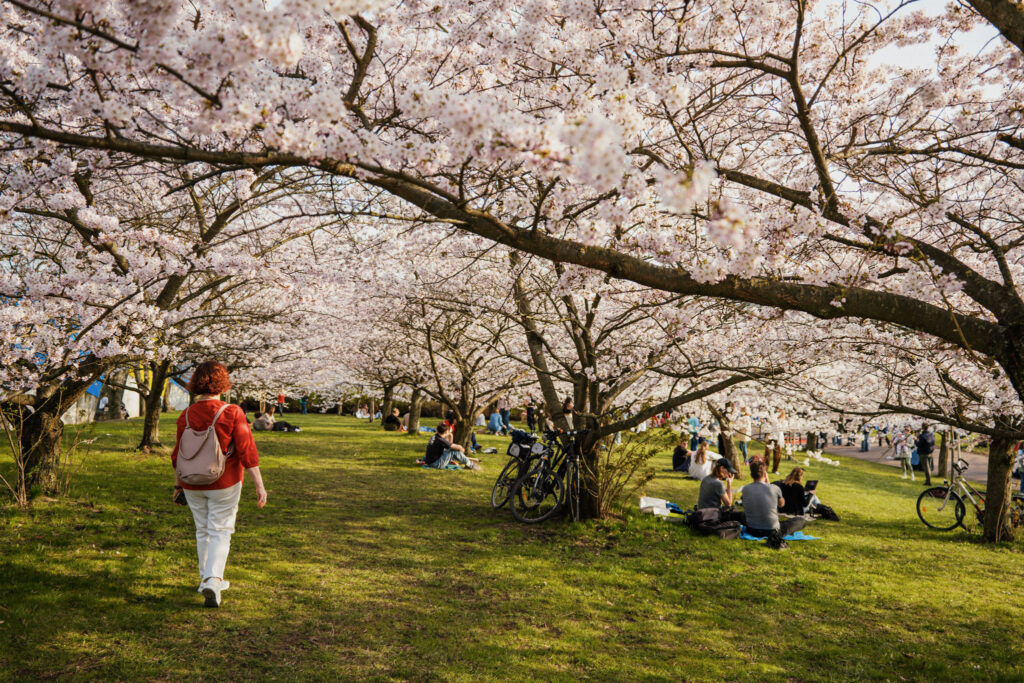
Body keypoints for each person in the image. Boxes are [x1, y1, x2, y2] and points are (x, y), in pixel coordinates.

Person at [171, 360, 267, 608]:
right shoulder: (232, 411)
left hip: (191, 481)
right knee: (220, 530)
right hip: (224, 481)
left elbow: (178, 454)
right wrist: (259, 484)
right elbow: (246, 449)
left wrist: (178, 485)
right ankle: (213, 579)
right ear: (223, 384)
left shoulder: (187, 413)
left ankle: (207, 578)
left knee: (202, 529)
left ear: (196, 383)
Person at [741, 458, 807, 538]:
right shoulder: (774, 488)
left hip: (751, 530)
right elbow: (781, 504)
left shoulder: (745, 489)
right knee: (801, 521)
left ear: (751, 475)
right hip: (772, 531)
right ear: (765, 474)